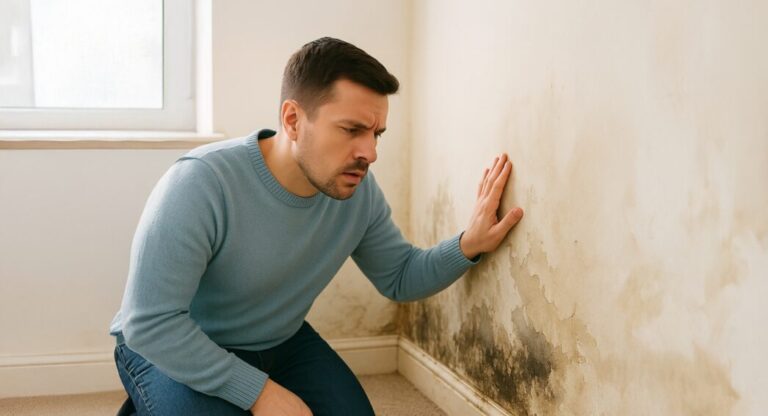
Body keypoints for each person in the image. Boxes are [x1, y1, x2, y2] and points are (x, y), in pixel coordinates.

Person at [109, 37, 524, 416]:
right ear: (293, 119)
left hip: (279, 341)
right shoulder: (201, 183)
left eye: (377, 133)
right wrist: (261, 393)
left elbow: (399, 276)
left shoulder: (357, 191)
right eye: (352, 130)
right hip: (169, 346)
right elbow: (150, 323)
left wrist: (469, 244)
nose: (370, 152)